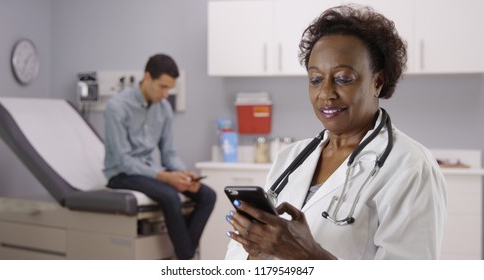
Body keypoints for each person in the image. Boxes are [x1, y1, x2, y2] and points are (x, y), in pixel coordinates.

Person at [225, 5, 447, 260]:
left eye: (343, 78)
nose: (326, 93)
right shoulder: (289, 159)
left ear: (377, 81)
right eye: (316, 79)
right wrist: (255, 249)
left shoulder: (410, 166)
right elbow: (237, 259)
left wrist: (305, 254)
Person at [103, 54, 216, 260]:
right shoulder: (117, 107)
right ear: (147, 78)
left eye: (170, 88)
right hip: (121, 173)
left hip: (147, 172)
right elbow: (123, 159)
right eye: (162, 87)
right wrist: (165, 177)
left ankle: (183, 253)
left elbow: (169, 154)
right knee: (169, 195)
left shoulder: (164, 108)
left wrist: (183, 173)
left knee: (208, 195)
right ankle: (186, 258)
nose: (166, 94)